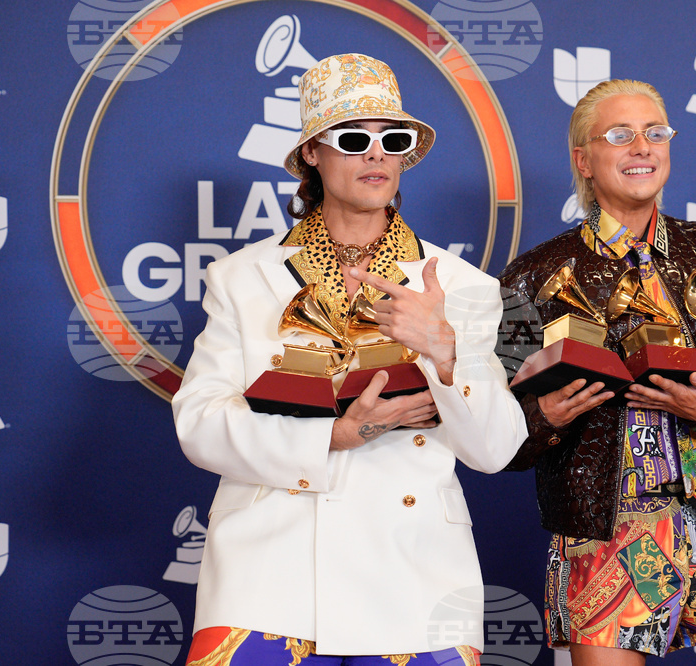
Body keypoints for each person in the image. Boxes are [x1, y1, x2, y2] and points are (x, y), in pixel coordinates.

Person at [173, 53, 527, 665]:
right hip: (266, 578)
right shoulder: (239, 278)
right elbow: (199, 425)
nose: (376, 155)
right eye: (353, 138)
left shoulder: (464, 285)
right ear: (312, 152)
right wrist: (331, 437)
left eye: (392, 139)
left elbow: (495, 450)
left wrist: (444, 353)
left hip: (416, 584)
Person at [497, 79, 696, 665]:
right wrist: (544, 419)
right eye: (620, 135)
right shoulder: (532, 276)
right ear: (583, 160)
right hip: (604, 534)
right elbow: (493, 433)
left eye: (655, 132)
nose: (641, 146)